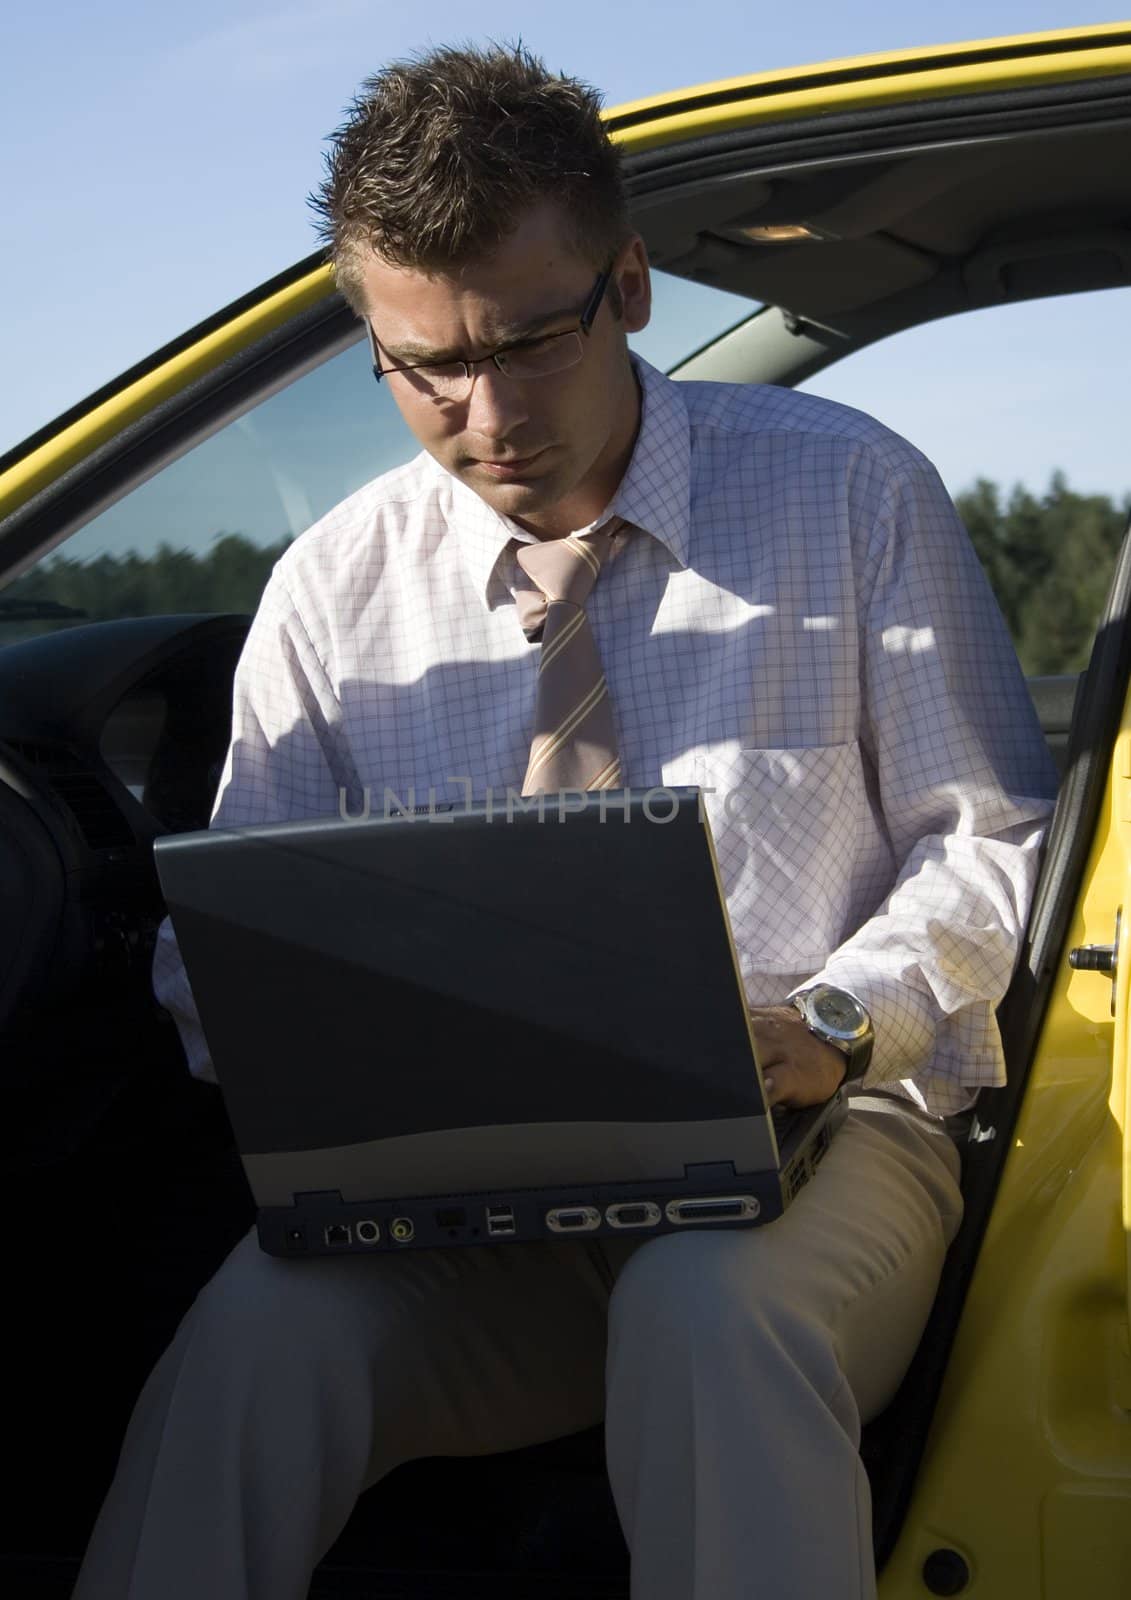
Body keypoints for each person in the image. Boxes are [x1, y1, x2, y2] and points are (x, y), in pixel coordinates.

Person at [74, 42, 1057, 1600]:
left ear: (634, 286)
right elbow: (215, 964)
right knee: (252, 1340)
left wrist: (829, 1022)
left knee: (706, 1314)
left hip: (829, 1130)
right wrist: (347, 1057)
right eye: (424, 368)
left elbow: (994, 842)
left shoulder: (855, 494)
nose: (487, 415)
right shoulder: (331, 593)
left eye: (532, 341)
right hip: (458, 1193)